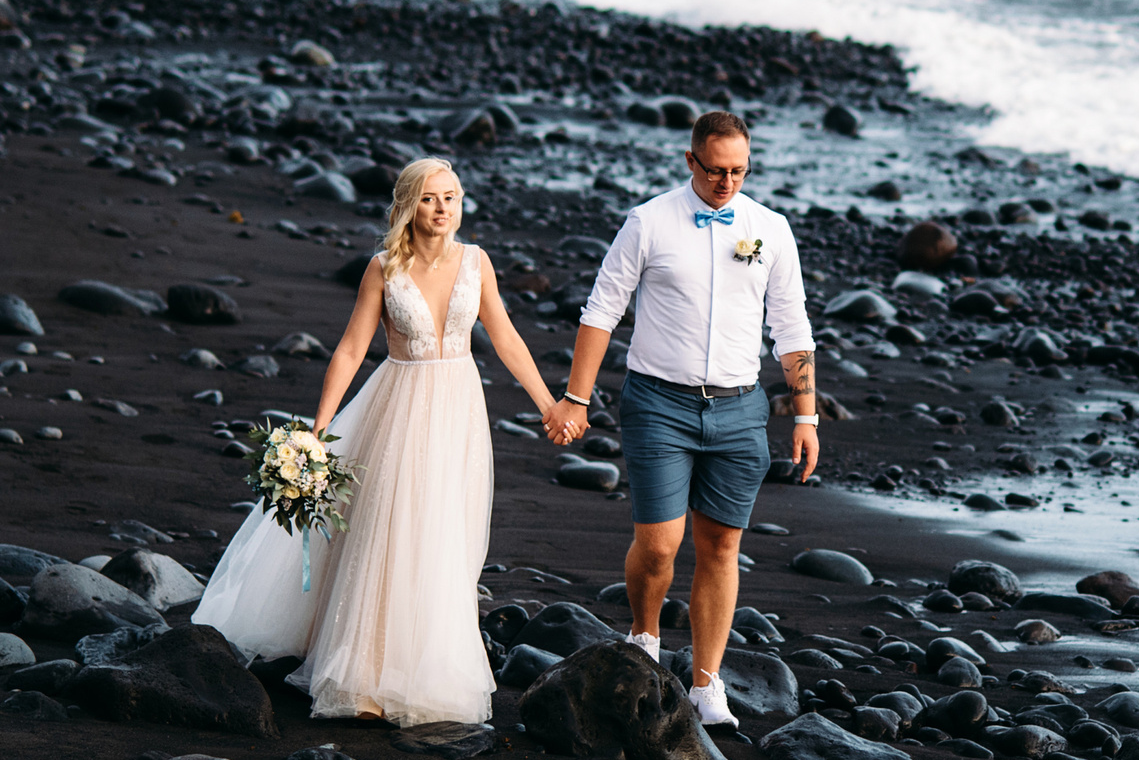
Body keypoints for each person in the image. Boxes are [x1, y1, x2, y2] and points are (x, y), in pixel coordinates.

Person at [193, 157, 559, 726]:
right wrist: (319, 426)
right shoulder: (384, 268)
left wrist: (548, 405)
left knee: (444, 535)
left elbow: (506, 337)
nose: (443, 210)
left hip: (459, 410)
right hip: (400, 406)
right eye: (431, 199)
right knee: (389, 531)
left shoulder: (477, 263)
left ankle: (426, 669)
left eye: (452, 197)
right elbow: (350, 348)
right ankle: (363, 675)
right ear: (409, 205)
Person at [545, 110, 818, 726]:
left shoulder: (769, 229)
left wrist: (807, 417)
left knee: (722, 546)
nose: (728, 182)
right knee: (660, 543)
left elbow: (793, 327)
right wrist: (577, 399)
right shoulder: (647, 222)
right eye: (717, 170)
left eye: (740, 171)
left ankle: (706, 684)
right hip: (658, 403)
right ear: (690, 161)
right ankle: (645, 640)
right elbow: (602, 310)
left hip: (740, 408)